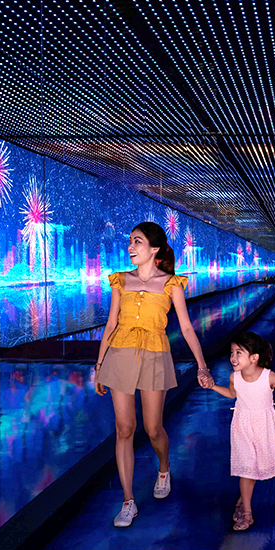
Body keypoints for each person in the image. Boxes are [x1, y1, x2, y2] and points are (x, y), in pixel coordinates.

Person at [94, 221, 214, 528]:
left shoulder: (171, 284)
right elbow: (110, 325)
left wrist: (201, 365)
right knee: (124, 428)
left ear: (155, 249)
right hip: (119, 354)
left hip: (155, 355)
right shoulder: (120, 280)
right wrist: (99, 365)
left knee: (152, 428)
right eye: (130, 241)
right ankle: (128, 501)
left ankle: (164, 467)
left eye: (137, 242)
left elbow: (186, 327)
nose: (131, 247)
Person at [204, 331, 275, 531]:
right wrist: (214, 386)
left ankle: (244, 497)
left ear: (254, 357)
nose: (233, 357)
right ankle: (247, 514)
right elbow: (233, 394)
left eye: (238, 353)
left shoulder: (269, 377)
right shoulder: (234, 377)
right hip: (242, 426)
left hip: (264, 427)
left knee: (255, 467)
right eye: (231, 352)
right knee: (246, 466)